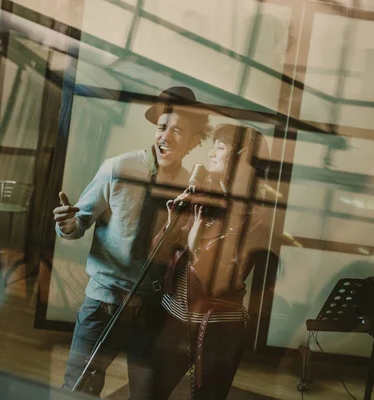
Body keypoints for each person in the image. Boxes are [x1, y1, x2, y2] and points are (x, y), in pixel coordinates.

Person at [52, 86, 210, 398]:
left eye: (178, 131)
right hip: (102, 304)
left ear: (193, 142)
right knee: (79, 388)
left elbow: (185, 249)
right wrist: (69, 225)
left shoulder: (191, 189)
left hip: (150, 310)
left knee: (147, 394)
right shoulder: (118, 168)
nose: (166, 137)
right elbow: (78, 223)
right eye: (163, 127)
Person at [150, 124, 273, 399]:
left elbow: (220, 280)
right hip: (175, 318)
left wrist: (194, 243)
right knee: (150, 393)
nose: (210, 154)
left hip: (219, 328)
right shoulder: (201, 197)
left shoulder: (255, 216)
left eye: (219, 147)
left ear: (243, 159)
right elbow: (156, 255)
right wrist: (172, 224)